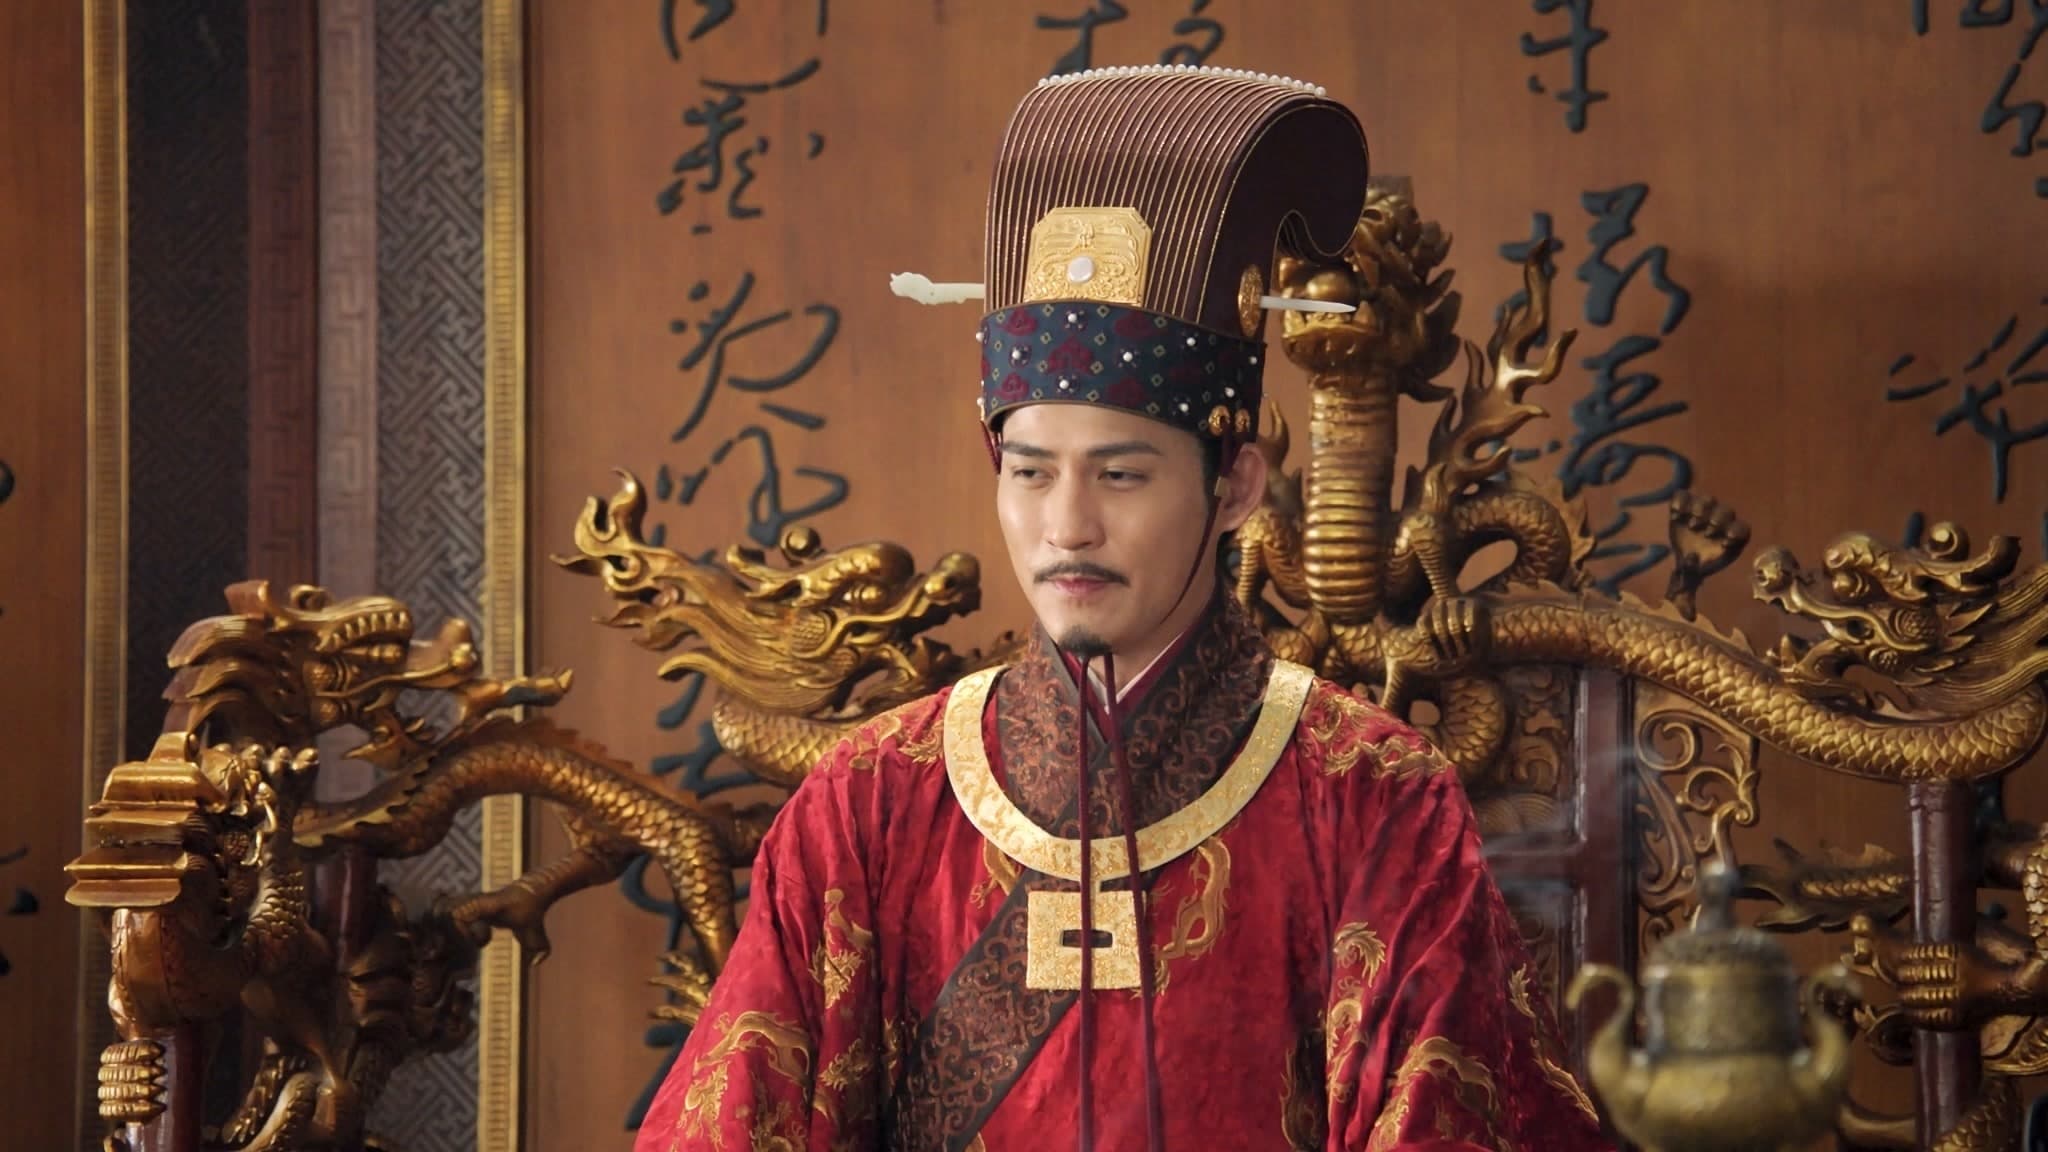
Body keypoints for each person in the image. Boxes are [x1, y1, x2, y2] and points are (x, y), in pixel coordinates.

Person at [634, 65, 1610, 1152]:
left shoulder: (1370, 797)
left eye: (1122, 474)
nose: (1066, 526)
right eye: (1029, 472)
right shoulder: (867, 803)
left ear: (1233, 485)